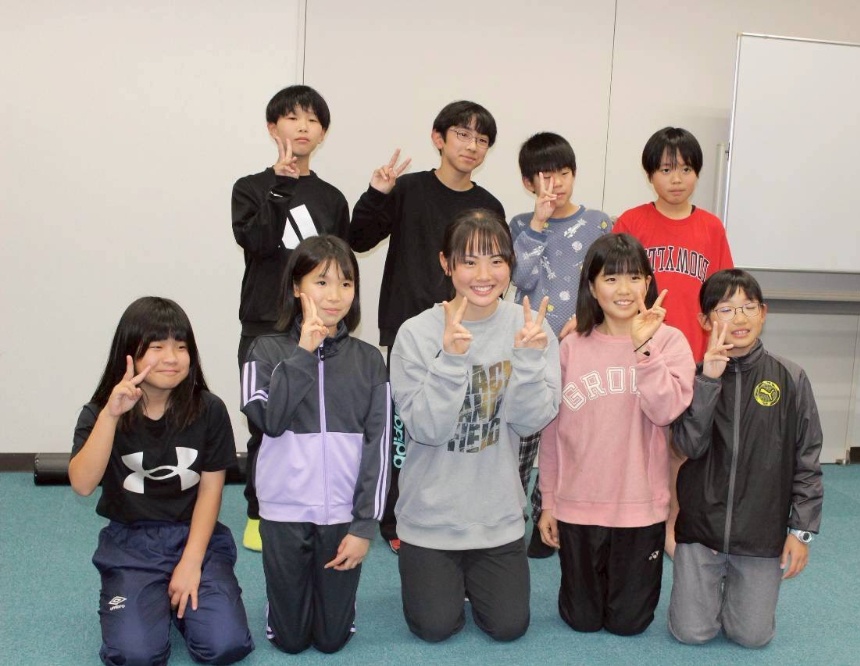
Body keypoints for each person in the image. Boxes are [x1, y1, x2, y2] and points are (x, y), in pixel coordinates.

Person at [390, 209, 561, 643]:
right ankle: (441, 579)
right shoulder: (415, 334)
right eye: (469, 261)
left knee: (509, 626)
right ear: (446, 264)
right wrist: (449, 361)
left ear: (510, 265)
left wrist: (527, 361)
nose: (484, 275)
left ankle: (470, 581)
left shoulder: (532, 328)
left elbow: (530, 422)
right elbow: (426, 429)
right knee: (434, 627)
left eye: (496, 261)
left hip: (496, 516)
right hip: (430, 518)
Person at [348, 100, 506, 554]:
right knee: (405, 432)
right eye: (463, 134)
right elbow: (358, 239)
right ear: (439, 138)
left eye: (481, 139)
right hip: (408, 331)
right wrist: (377, 193)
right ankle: (395, 518)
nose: (472, 146)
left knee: (462, 425)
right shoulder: (407, 189)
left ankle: (458, 511)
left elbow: (492, 273)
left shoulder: (488, 205)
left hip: (468, 332)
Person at [70, 297, 254, 666]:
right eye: (157, 347)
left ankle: (175, 599)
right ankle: (153, 599)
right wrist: (110, 416)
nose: (172, 358)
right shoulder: (99, 413)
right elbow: (83, 484)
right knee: (134, 655)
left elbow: (211, 491)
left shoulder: (209, 410)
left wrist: (191, 562)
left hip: (195, 536)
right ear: (129, 354)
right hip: (132, 544)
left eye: (181, 347)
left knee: (225, 645)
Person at [537, 233, 695, 636]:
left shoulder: (671, 342)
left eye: (634, 277)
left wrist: (643, 348)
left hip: (639, 508)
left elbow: (666, 411)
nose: (624, 290)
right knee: (582, 620)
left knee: (629, 624)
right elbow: (552, 435)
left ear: (648, 283)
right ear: (592, 287)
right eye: (611, 278)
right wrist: (549, 502)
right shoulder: (571, 346)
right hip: (578, 506)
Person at [240, 235, 391, 654]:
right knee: (289, 640)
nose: (335, 295)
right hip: (283, 513)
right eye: (321, 282)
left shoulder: (369, 360)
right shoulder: (264, 351)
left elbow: (378, 447)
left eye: (346, 283)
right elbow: (270, 421)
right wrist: (305, 352)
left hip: (341, 514)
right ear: (296, 287)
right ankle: (281, 606)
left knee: (331, 640)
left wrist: (363, 526)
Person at [668, 269, 823, 648]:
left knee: (751, 636)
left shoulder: (790, 377)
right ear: (705, 320)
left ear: (763, 313)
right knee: (691, 633)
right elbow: (687, 446)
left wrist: (800, 532)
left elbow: (807, 460)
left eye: (748, 307)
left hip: (760, 534)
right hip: (702, 531)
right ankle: (708, 589)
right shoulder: (693, 377)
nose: (739, 318)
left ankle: (736, 592)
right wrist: (709, 381)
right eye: (725, 309)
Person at [232, 84, 350, 551]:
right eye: (293, 118)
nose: (303, 127)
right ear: (272, 127)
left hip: (319, 325)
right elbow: (257, 243)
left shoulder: (331, 197)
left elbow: (341, 265)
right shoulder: (249, 188)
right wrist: (279, 187)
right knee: (265, 424)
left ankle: (318, 507)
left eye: (313, 120)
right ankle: (259, 512)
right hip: (265, 325)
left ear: (322, 133)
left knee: (319, 423)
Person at [613, 127, 734, 557]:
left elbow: (723, 294)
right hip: (642, 353)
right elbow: (609, 283)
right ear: (650, 175)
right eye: (665, 170)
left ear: (697, 172)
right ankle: (634, 521)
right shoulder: (631, 223)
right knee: (639, 446)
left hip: (694, 359)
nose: (676, 179)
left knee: (682, 449)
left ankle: (671, 523)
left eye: (685, 169)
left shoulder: (711, 227)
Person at [509, 131, 613, 558]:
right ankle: (511, 519)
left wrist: (588, 321)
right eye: (545, 176)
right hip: (530, 347)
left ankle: (545, 518)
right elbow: (520, 279)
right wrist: (537, 225)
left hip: (580, 346)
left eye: (564, 174)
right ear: (528, 182)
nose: (556, 184)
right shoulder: (520, 225)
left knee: (565, 439)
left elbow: (607, 282)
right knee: (524, 438)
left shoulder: (599, 223)